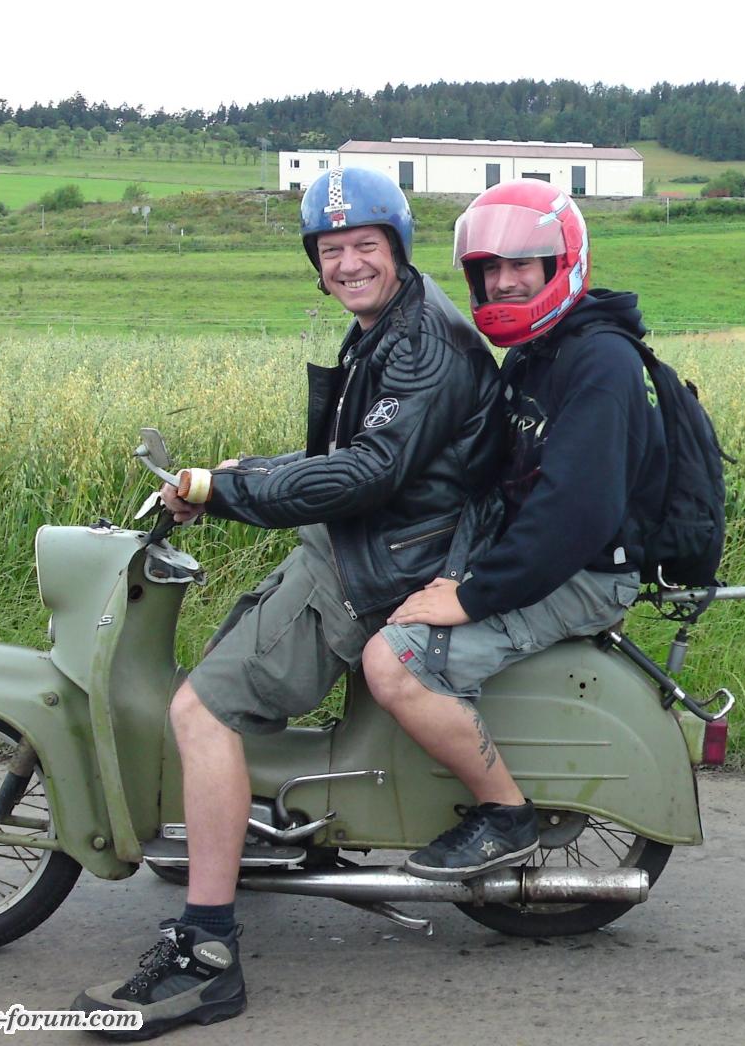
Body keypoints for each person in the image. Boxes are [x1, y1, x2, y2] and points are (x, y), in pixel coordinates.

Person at [76, 167, 503, 1037]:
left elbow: (368, 473)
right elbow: (356, 454)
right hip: (372, 540)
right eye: (330, 250)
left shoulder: (421, 344)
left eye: (364, 246)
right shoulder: (389, 324)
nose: (348, 264)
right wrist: (242, 473)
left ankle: (206, 953)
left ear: (397, 248)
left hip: (379, 562)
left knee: (204, 711)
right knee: (219, 680)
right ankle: (247, 835)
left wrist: (226, 493)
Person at [361, 177, 667, 879]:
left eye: (521, 264)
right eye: (488, 268)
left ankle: (505, 816)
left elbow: (574, 515)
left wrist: (472, 597)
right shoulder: (538, 352)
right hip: (540, 557)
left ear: (562, 263)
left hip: (588, 571)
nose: (502, 282)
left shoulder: (600, 362)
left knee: (394, 661)